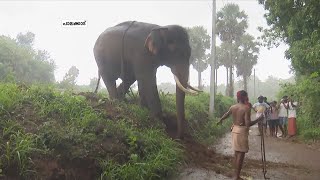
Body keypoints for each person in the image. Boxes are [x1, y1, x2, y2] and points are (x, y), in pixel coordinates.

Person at [217, 90, 263, 180]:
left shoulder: (233, 107)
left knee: (236, 153)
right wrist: (259, 119)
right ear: (245, 97)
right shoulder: (246, 108)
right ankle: (236, 176)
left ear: (237, 98)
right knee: (241, 155)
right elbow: (248, 123)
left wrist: (221, 120)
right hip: (242, 131)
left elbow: (226, 114)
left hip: (234, 130)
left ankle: (235, 174)